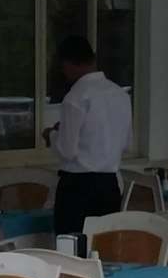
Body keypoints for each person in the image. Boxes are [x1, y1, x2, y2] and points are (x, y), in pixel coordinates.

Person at [47, 35, 130, 238]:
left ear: (67, 64)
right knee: (103, 247)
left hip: (77, 187)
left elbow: (67, 150)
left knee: (71, 249)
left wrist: (52, 135)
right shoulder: (120, 94)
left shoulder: (76, 96)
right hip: (109, 185)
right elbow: (126, 143)